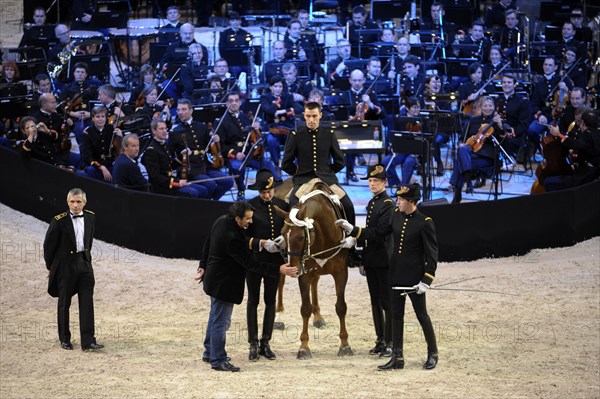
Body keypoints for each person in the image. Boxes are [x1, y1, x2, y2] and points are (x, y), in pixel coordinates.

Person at [337, 183, 439, 370]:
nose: (397, 202)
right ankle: (397, 357)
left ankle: (433, 352)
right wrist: (353, 231)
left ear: (411, 202)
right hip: (395, 275)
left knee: (422, 315)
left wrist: (426, 279)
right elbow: (376, 233)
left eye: (401, 199)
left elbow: (432, 255)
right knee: (396, 316)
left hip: (414, 279)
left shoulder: (425, 223)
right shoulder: (395, 216)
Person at [196, 201, 297, 372]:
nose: (251, 222)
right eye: (248, 219)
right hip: (223, 282)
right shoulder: (232, 237)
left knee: (215, 315)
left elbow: (208, 241)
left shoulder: (221, 221)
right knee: (221, 321)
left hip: (214, 277)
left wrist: (202, 265)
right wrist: (278, 269)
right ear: (237, 218)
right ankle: (218, 359)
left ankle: (209, 351)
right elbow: (250, 264)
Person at [43, 188, 104, 351]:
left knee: (87, 302)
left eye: (78, 202)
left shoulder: (91, 216)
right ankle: (64, 338)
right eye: (72, 201)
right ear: (67, 202)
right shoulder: (59, 220)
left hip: (84, 264)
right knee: (64, 302)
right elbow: (48, 246)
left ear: (84, 202)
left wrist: (87, 260)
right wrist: (51, 268)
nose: (75, 205)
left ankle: (88, 341)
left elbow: (88, 241)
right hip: (65, 266)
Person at [281, 102, 355, 226]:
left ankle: (353, 241)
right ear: (304, 115)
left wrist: (326, 171)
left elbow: (340, 161)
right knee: (291, 206)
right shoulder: (295, 135)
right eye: (308, 116)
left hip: (326, 180)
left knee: (348, 206)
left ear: (320, 115)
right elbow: (286, 164)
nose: (311, 120)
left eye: (314, 116)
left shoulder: (329, 134)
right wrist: (299, 174)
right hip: (303, 180)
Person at [245, 170, 289, 361]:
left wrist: (284, 240)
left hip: (274, 262)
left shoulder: (281, 205)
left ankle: (266, 342)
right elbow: (243, 236)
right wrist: (261, 243)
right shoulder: (250, 206)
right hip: (255, 260)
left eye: (269, 191)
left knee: (270, 301)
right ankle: (253, 343)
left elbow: (289, 228)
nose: (267, 195)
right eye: (263, 192)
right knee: (253, 300)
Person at [357, 165, 395, 357]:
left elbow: (380, 233)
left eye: (376, 181)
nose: (372, 184)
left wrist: (356, 233)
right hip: (372, 258)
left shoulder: (388, 203)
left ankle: (390, 341)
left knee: (387, 302)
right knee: (375, 302)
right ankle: (380, 338)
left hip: (384, 259)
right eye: (371, 181)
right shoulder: (373, 203)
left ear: (384, 183)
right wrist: (363, 258)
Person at [216, 92, 279, 201]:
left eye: (236, 101)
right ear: (227, 104)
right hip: (234, 156)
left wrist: (257, 129)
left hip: (250, 154)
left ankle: (278, 186)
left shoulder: (246, 117)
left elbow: (256, 138)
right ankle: (241, 190)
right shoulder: (221, 121)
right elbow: (221, 146)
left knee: (267, 163)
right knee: (237, 166)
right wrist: (235, 154)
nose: (234, 103)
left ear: (240, 103)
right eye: (231, 101)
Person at [169, 99, 233, 200]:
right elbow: (171, 155)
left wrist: (216, 140)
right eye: (178, 110)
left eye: (184, 109)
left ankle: (212, 201)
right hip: (191, 169)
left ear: (191, 111)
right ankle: (206, 204)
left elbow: (211, 146)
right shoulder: (174, 132)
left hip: (206, 165)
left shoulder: (202, 126)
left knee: (229, 181)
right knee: (211, 184)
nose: (180, 112)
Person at [450, 96, 508, 203]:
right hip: (471, 152)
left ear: (494, 107)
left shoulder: (497, 122)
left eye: (490, 105)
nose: (488, 108)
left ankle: (458, 191)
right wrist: (461, 144)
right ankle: (467, 183)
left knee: (460, 161)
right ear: (480, 108)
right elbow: (463, 138)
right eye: (485, 105)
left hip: (487, 156)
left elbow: (505, 139)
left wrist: (500, 124)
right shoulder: (473, 120)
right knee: (462, 150)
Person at [141, 118, 206, 197]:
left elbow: (169, 167)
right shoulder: (151, 150)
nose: (165, 131)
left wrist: (181, 156)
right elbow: (156, 177)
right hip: (162, 187)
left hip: (170, 181)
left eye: (165, 128)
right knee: (193, 192)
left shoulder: (164, 145)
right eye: (161, 129)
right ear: (154, 131)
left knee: (203, 190)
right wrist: (177, 183)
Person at [545, 109, 600, 191]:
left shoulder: (588, 135)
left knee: (548, 182)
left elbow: (575, 144)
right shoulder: (596, 133)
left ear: (583, 123)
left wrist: (558, 134)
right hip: (589, 173)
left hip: (584, 178)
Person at [81, 106, 123, 182]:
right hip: (94, 165)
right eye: (97, 117)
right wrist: (101, 167)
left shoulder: (111, 129)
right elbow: (87, 156)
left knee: (120, 168)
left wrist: (120, 137)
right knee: (91, 170)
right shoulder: (87, 133)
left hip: (109, 163)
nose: (100, 119)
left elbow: (119, 149)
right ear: (93, 118)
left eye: (103, 116)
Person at [218, 12, 253, 78]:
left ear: (240, 21)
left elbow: (247, 48)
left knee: (249, 70)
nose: (235, 22)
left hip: (243, 62)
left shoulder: (245, 33)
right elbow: (221, 50)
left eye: (237, 20)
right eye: (233, 20)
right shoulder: (224, 34)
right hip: (230, 62)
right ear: (229, 22)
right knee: (235, 70)